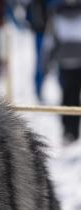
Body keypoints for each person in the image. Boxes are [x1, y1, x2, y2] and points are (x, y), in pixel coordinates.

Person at [47, 0, 81, 143]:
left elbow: (50, 41)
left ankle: (67, 130)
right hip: (79, 60)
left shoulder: (57, 13)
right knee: (76, 96)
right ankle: (74, 131)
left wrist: (48, 62)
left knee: (66, 95)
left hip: (64, 61)